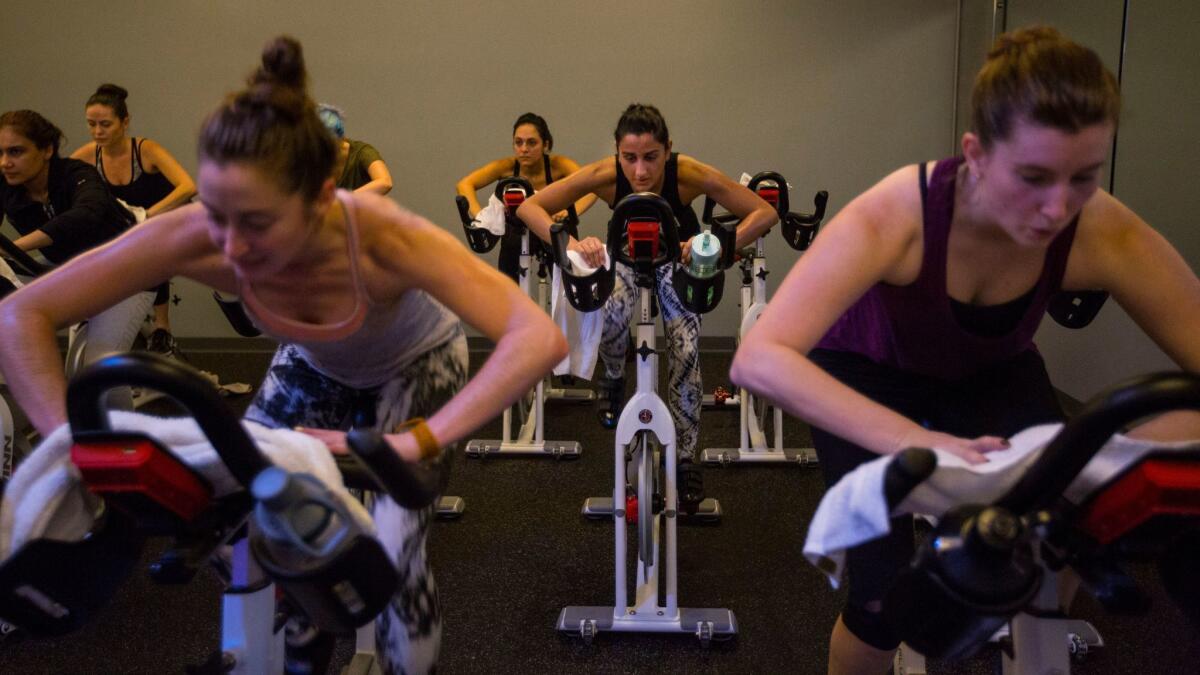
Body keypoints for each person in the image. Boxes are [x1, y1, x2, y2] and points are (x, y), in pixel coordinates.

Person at [0, 36, 566, 674]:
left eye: (259, 222)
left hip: (415, 363)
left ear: (322, 197)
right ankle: (301, 629)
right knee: (229, 522)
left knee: (391, 555)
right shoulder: (193, 235)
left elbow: (537, 336)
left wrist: (418, 442)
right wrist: (75, 450)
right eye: (219, 215)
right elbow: (21, 313)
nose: (233, 247)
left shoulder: (381, 238)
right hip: (314, 361)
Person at [729, 27, 1200, 675]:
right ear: (975, 154)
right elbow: (759, 356)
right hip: (866, 374)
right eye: (1032, 177)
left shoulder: (1100, 228)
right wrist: (913, 443)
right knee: (881, 596)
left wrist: (1138, 449)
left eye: (1084, 177)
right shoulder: (899, 212)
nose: (1057, 208)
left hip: (988, 370)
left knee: (1052, 543)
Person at [516, 103, 777, 506]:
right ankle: (614, 376)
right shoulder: (605, 174)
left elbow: (763, 212)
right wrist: (573, 245)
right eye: (630, 158)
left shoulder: (686, 173)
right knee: (612, 312)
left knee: (686, 350)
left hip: (678, 262)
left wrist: (714, 245)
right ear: (617, 152)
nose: (640, 171)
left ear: (668, 150)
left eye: (651, 158)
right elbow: (529, 208)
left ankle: (687, 458)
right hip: (622, 262)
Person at [0, 109, 152, 410]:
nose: (5, 162)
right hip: (70, 272)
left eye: (15, 151)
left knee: (101, 372)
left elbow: (86, 214)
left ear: (47, 150)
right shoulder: (5, 185)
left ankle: (124, 442)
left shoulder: (77, 174)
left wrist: (13, 247)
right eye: (0, 153)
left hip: (125, 274)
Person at [70, 83, 198, 356]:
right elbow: (60, 188)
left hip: (167, 219)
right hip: (127, 227)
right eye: (91, 124)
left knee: (149, 249)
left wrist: (145, 216)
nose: (97, 132)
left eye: (105, 124)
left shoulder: (145, 150)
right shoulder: (87, 155)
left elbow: (188, 186)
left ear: (124, 122)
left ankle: (161, 328)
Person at [456, 112, 596, 282]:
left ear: (545, 144)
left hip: (552, 227)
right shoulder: (506, 166)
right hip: (518, 231)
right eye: (518, 142)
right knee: (509, 266)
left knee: (568, 266)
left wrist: (569, 213)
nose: (524, 149)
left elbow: (593, 187)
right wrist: (481, 217)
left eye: (531, 143)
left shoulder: (559, 166)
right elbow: (465, 184)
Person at [316, 104, 393, 195]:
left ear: (342, 137)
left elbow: (385, 182)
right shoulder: (309, 156)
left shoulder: (363, 152)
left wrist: (343, 200)